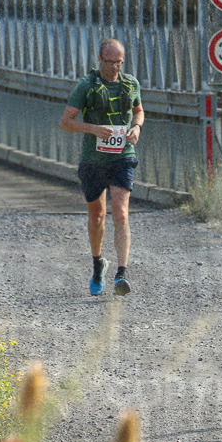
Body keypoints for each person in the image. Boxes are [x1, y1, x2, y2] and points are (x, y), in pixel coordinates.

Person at [59, 38, 144, 296]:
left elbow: (139, 111)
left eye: (119, 62)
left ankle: (121, 274)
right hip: (93, 160)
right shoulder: (87, 85)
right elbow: (65, 122)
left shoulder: (131, 83)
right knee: (97, 216)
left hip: (123, 156)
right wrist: (93, 129)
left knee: (121, 213)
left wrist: (137, 127)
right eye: (110, 62)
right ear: (100, 60)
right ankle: (98, 264)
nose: (114, 67)